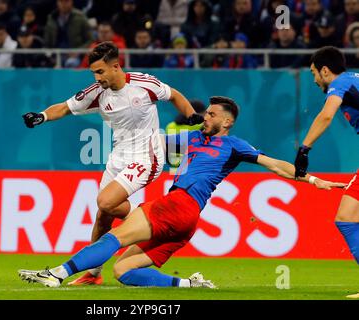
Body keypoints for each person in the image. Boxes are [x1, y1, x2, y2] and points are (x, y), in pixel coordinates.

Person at [19, 96, 345, 288]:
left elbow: (275, 165)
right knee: (124, 271)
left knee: (114, 238)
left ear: (227, 123)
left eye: (213, 114)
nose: (206, 116)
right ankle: (188, 283)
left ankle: (57, 274)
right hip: (186, 221)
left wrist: (312, 180)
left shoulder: (233, 145)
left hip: (179, 205)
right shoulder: (190, 139)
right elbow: (151, 144)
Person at [21, 41, 202, 285]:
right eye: (94, 73)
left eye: (100, 71)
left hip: (147, 156)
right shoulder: (96, 92)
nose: (97, 77)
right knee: (103, 216)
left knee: (105, 201)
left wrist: (191, 115)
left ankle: (146, 218)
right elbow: (64, 108)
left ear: (115, 66)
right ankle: (93, 275)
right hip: (118, 157)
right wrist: (41, 116)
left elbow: (174, 95)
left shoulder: (144, 84)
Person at [293, 46, 359, 299]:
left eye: (313, 74)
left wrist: (304, 148)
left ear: (325, 70)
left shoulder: (340, 83)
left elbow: (326, 115)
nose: (313, 80)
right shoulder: (354, 79)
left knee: (346, 218)